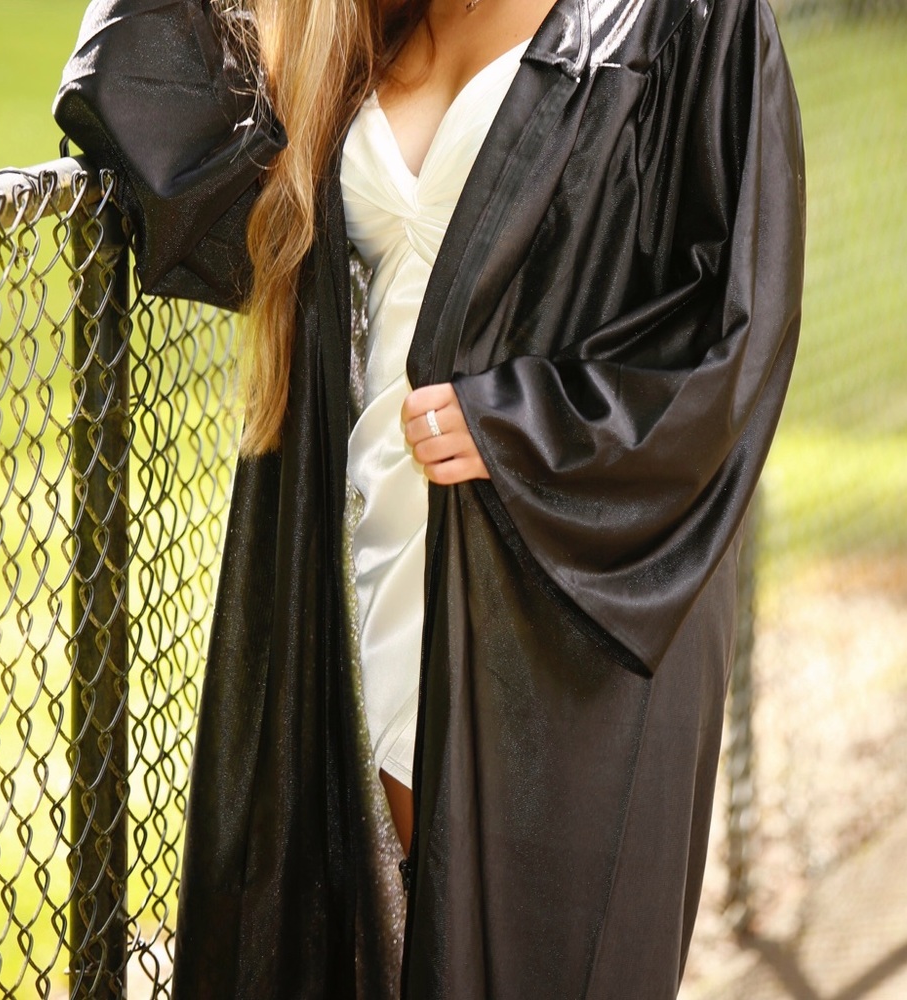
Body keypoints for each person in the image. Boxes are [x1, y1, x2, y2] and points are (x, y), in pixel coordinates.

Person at [67, 0, 803, 996]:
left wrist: (531, 424)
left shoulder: (682, 20)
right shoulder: (355, 24)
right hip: (367, 566)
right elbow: (136, 89)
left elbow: (735, 329)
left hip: (559, 591)